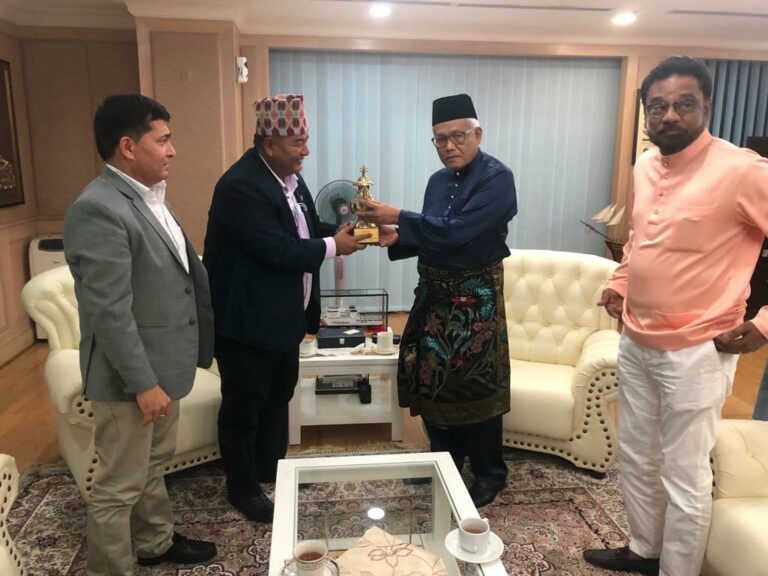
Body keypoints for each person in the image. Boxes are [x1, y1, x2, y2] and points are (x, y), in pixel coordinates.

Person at [583, 56, 768, 576]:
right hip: (636, 340)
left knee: (685, 474)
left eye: (684, 104)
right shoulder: (645, 166)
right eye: (658, 105)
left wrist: (764, 324)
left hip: (699, 349)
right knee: (637, 456)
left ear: (707, 105)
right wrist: (620, 283)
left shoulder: (743, 170)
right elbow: (640, 238)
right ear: (646, 112)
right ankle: (646, 549)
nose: (669, 115)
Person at [63, 94, 217, 575]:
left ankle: (155, 543)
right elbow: (109, 312)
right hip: (130, 379)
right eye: (163, 139)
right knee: (117, 486)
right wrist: (143, 383)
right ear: (128, 147)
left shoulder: (148, 197)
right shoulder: (99, 208)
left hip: (161, 368)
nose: (173, 149)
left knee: (152, 465)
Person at [203, 93, 368, 522]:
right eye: (298, 143)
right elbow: (277, 249)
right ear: (269, 143)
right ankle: (242, 489)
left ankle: (269, 469)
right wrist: (334, 246)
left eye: (306, 140)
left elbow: (306, 230)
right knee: (244, 407)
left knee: (278, 396)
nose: (306, 151)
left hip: (283, 318)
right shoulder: (241, 186)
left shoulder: (290, 179)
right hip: (247, 322)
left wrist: (346, 231)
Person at [356, 93, 518, 508]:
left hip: (476, 303)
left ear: (478, 134)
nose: (449, 145)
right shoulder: (437, 181)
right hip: (433, 296)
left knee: (475, 385)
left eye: (457, 136)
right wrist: (398, 236)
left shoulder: (497, 178)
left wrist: (398, 215)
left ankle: (490, 472)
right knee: (430, 377)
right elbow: (436, 232)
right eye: (440, 139)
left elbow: (458, 231)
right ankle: (445, 462)